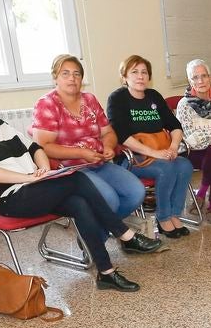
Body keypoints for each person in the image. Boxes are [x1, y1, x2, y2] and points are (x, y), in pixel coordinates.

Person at [0, 75, 162, 293]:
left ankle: (106, 273)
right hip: (9, 197)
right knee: (77, 179)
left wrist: (43, 171)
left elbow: (36, 149)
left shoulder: (0, 125)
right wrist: (28, 178)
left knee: (79, 202)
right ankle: (125, 235)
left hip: (35, 187)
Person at [31, 54, 146, 221]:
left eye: (77, 74)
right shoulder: (47, 104)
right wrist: (81, 153)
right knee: (109, 200)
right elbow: (43, 147)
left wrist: (108, 147)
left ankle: (98, 232)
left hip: (99, 162)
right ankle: (97, 239)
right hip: (70, 171)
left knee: (136, 193)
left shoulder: (89, 99)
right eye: (65, 73)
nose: (72, 78)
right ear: (55, 77)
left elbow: (108, 133)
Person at [107, 55, 194, 239]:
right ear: (124, 77)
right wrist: (156, 153)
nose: (140, 76)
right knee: (166, 169)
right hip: (132, 158)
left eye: (144, 72)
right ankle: (163, 219)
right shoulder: (117, 98)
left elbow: (175, 126)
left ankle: (174, 214)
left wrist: (173, 147)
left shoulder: (154, 96)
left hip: (161, 152)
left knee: (185, 165)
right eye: (134, 72)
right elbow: (122, 135)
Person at [176, 59, 211, 225]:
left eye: (204, 76)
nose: (200, 81)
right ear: (189, 81)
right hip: (191, 153)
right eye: (195, 77)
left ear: (210, 77)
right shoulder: (184, 105)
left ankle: (201, 194)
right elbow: (191, 139)